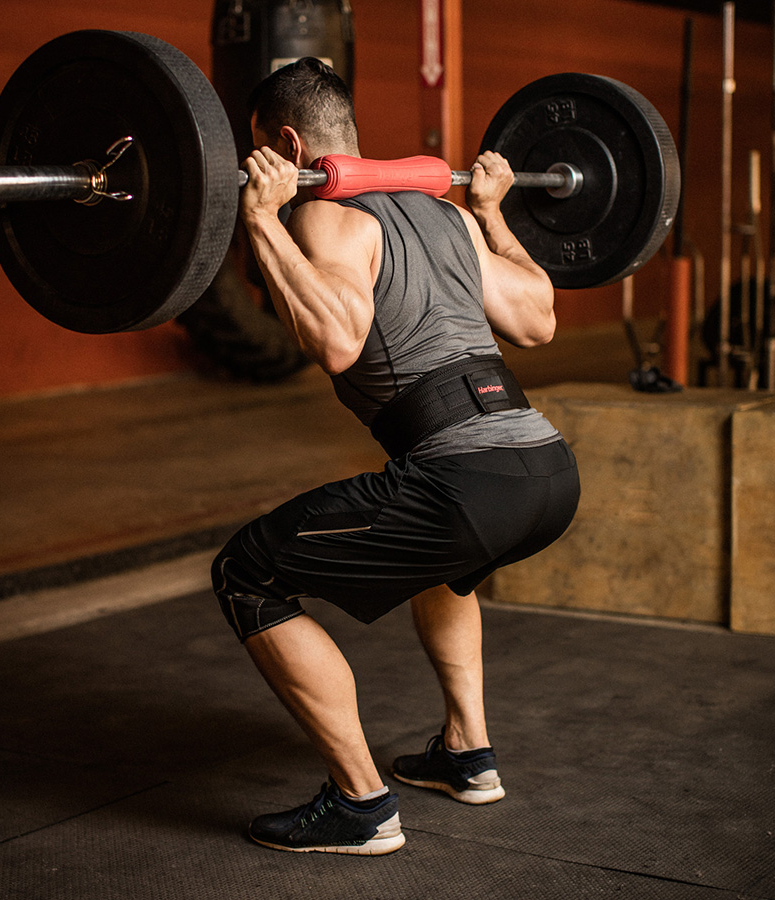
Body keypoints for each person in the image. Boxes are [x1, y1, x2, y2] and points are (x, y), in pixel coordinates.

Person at [212, 57, 580, 856]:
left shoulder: (324, 217)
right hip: (547, 468)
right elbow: (538, 320)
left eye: (258, 148)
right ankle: (467, 754)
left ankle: (361, 803)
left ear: (287, 145)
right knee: (445, 566)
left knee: (247, 572)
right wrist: (491, 214)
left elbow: (338, 342)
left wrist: (263, 220)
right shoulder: (444, 214)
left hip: (465, 481)